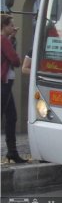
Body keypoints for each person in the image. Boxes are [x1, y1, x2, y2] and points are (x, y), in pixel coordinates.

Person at [1, 14, 27, 163]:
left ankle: (12, 152)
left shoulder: (6, 40)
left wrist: (12, 38)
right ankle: (12, 151)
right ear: (4, 26)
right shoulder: (4, 40)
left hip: (7, 84)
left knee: (12, 117)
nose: (13, 27)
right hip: (4, 84)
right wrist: (12, 41)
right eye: (11, 25)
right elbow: (15, 60)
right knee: (9, 117)